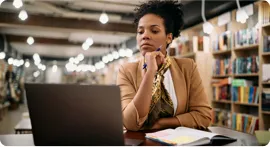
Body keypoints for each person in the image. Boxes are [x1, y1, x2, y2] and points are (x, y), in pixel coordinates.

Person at [117, 0, 212, 131]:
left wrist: (163, 123)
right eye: (140, 31)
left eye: (154, 31)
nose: (145, 36)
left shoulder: (187, 67)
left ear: (168, 37)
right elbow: (130, 122)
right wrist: (150, 73)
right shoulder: (127, 71)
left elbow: (204, 115)